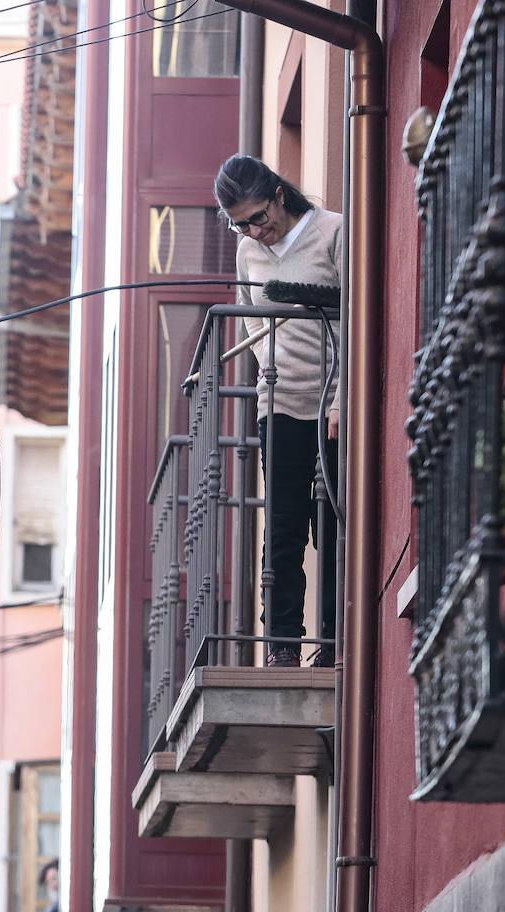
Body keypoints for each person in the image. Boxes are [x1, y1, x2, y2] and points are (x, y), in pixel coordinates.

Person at [214, 155, 341, 668]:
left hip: (332, 401)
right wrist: (272, 368)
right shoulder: (250, 252)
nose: (253, 231)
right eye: (239, 224)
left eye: (258, 217)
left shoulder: (333, 232)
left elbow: (356, 316)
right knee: (282, 528)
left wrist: (343, 397)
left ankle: (336, 642)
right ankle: (284, 646)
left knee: (331, 523)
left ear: (279, 196)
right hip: (280, 403)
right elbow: (252, 323)